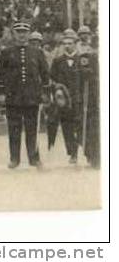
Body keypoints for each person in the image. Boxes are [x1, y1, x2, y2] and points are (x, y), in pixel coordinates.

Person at [0, 21, 49, 169]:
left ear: (28, 33)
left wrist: (45, 93)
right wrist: (1, 93)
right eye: (18, 32)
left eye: (24, 32)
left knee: (33, 129)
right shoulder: (7, 52)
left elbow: (45, 74)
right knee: (14, 129)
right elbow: (0, 74)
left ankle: (34, 158)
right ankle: (14, 159)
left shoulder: (37, 52)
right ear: (14, 34)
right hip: (13, 97)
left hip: (32, 97)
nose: (21, 35)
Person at [49, 29, 82, 164]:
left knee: (80, 125)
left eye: (70, 43)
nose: (67, 45)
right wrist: (57, 90)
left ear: (75, 43)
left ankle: (85, 149)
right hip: (64, 100)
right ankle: (72, 153)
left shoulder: (82, 59)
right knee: (67, 127)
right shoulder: (58, 61)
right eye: (65, 43)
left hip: (79, 98)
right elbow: (52, 78)